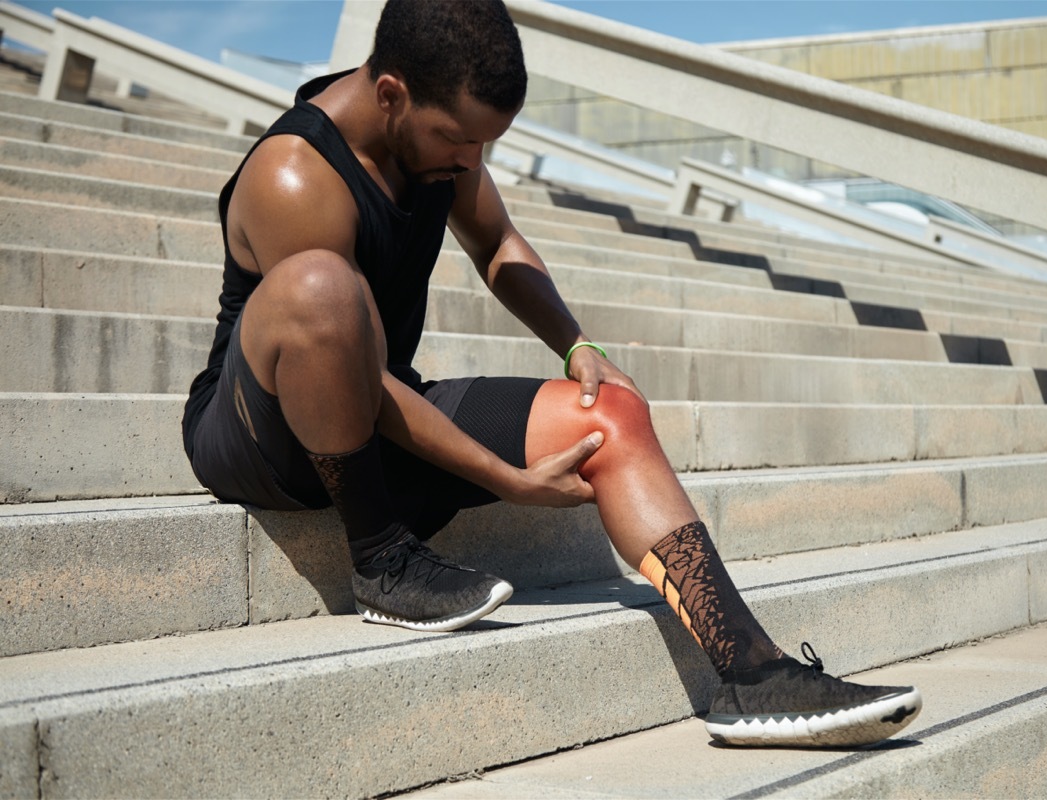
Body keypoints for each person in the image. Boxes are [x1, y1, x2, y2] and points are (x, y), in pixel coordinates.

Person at [181, 0, 920, 748]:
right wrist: (506, 479)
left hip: (384, 405)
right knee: (321, 291)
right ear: (392, 95)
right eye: (458, 139)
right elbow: (356, 377)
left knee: (613, 415)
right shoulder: (294, 173)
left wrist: (576, 345)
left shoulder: (436, 140)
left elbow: (498, 243)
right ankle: (381, 561)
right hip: (262, 437)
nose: (471, 162)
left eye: (486, 143)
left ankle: (753, 675)